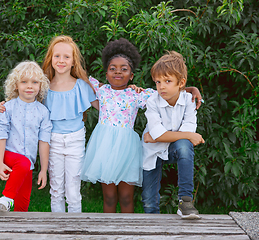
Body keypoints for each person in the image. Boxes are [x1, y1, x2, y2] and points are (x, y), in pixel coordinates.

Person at [81, 39, 202, 213]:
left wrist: (191, 89)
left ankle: (128, 232)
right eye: (112, 68)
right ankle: (108, 232)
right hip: (104, 147)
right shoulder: (100, 90)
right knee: (108, 198)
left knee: (126, 197)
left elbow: (168, 90)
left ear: (131, 75)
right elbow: (79, 76)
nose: (117, 72)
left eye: (124, 69)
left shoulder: (137, 94)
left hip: (126, 148)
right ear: (106, 73)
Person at [0, 35, 98, 213]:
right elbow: (23, 102)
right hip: (53, 140)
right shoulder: (43, 87)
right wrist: (3, 105)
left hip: (76, 140)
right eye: (57, 56)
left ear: (74, 61)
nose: (61, 60)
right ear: (50, 59)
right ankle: (57, 230)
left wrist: (130, 91)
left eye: (67, 56)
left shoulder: (82, 86)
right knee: (57, 189)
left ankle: (75, 230)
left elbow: (107, 106)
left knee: (73, 191)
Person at [141, 51, 205, 219]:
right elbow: (158, 134)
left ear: (181, 83)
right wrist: (157, 136)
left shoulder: (189, 101)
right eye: (158, 82)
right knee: (149, 201)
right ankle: (152, 226)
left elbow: (186, 133)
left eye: (168, 81)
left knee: (185, 146)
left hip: (172, 147)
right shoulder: (152, 101)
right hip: (153, 150)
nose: (162, 86)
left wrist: (158, 136)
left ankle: (185, 202)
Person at [0, 61, 52, 212]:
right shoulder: (7, 107)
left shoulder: (43, 112)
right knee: (23, 163)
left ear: (40, 86)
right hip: (5, 155)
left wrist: (43, 170)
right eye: (24, 82)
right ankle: (7, 198)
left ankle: (16, 231)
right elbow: (0, 135)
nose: (29, 86)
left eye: (34, 82)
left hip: (27, 164)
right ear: (16, 85)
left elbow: (44, 142)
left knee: (23, 204)